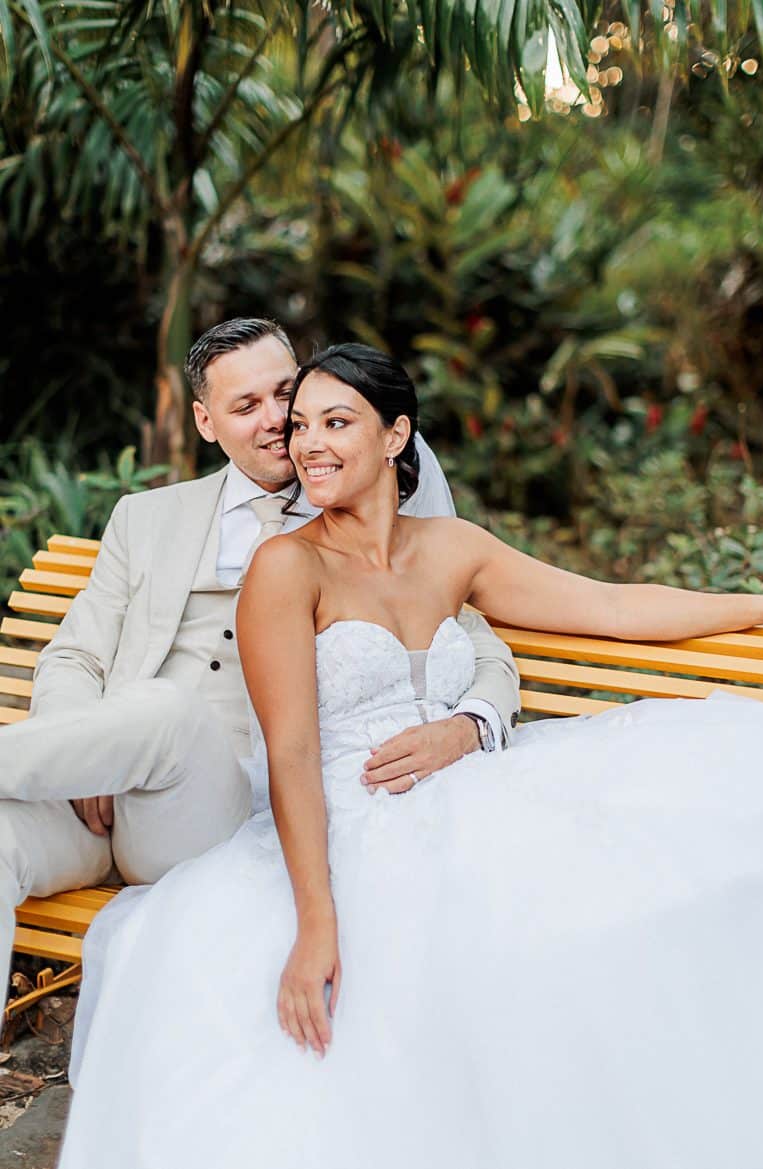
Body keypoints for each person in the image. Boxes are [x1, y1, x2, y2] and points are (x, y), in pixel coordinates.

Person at [57, 343, 763, 1169]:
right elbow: (290, 752)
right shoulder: (286, 567)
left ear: (396, 436)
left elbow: (611, 605)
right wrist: (316, 925)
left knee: (664, 868)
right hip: (352, 818)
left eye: (337, 422)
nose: (308, 444)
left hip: (473, 791)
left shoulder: (450, 549)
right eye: (301, 426)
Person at [0, 319, 517, 991]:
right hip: (107, 801)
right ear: (205, 420)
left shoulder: (360, 506)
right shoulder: (147, 518)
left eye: (285, 394)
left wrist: (469, 724)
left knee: (167, 711)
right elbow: (74, 660)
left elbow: (483, 651)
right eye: (246, 407)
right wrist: (82, 764)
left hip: (230, 818)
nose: (276, 420)